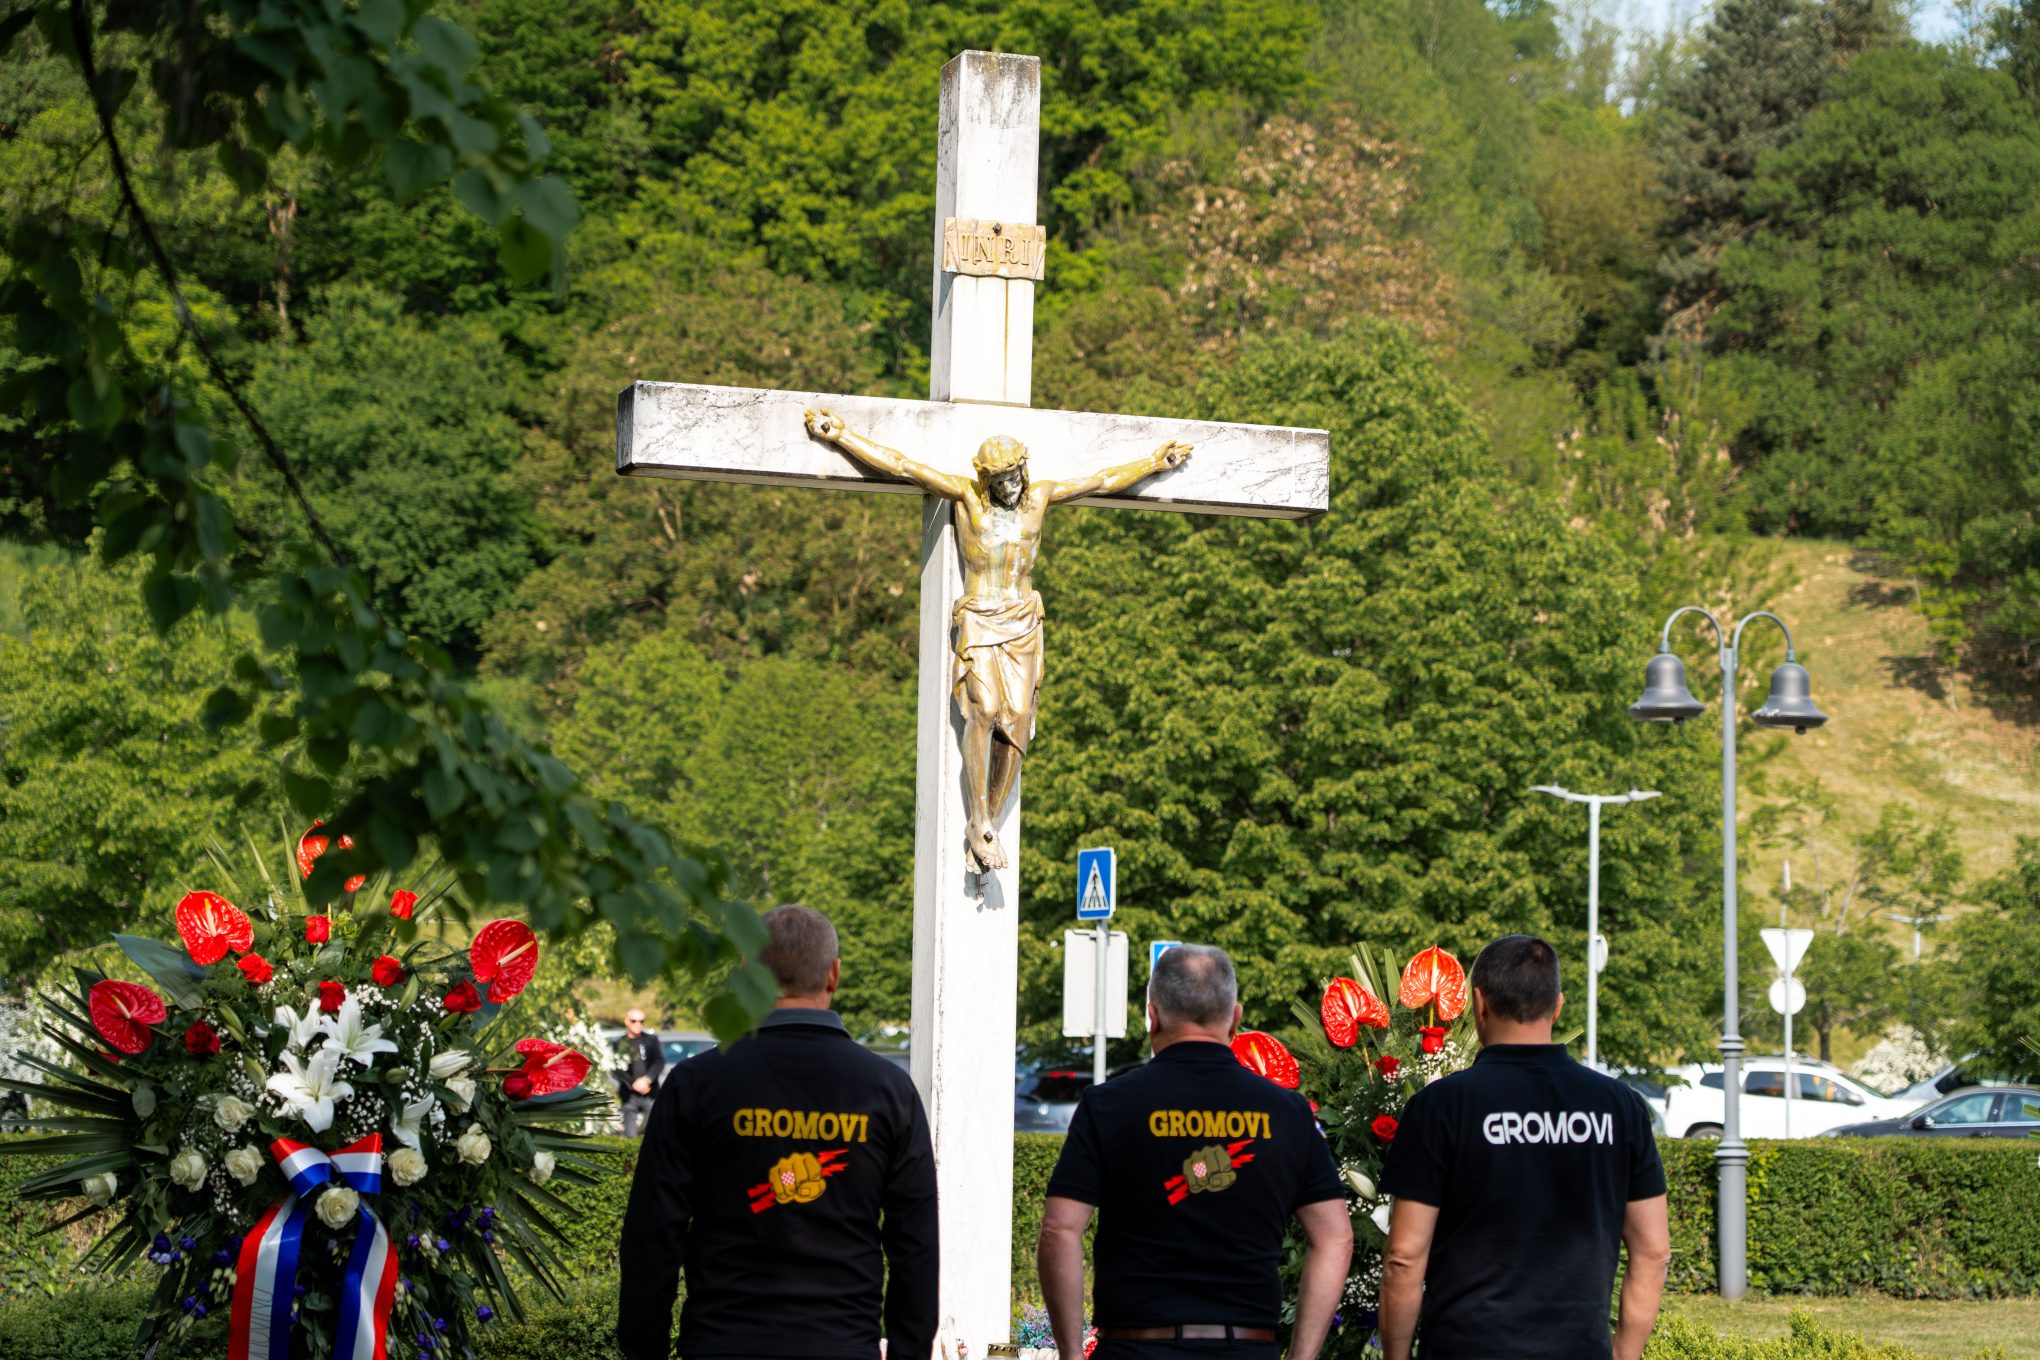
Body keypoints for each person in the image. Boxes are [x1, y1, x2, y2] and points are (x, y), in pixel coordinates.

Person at [616, 905, 938, 1360]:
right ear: (833, 975)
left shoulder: (697, 1084)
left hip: (722, 1344)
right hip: (841, 1345)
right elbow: (916, 1243)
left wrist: (643, 1351)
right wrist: (909, 1353)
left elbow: (653, 1234)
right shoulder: (888, 1090)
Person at [1037, 944, 1353, 1360]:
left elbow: (1059, 1230)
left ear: (1152, 1016)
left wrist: (1070, 1353)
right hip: (1246, 1348)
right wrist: (1302, 1356)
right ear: (1235, 1018)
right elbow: (1334, 1237)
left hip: (1135, 1348)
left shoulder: (1108, 1105)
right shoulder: (1287, 1111)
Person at [1377, 934, 1671, 1360]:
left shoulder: (1440, 1106)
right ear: (1558, 1005)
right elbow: (1653, 1251)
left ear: (1479, 1003)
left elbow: (1403, 1257)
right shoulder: (1620, 1107)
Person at [615, 1008, 665, 1138]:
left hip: (650, 1092)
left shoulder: (651, 1040)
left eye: (641, 1021)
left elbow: (659, 1061)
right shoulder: (620, 1043)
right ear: (627, 1021)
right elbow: (616, 1068)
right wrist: (633, 1083)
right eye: (634, 1021)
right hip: (630, 1094)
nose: (638, 1024)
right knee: (630, 1135)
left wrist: (647, 1079)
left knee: (652, 1129)